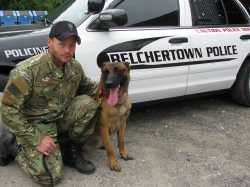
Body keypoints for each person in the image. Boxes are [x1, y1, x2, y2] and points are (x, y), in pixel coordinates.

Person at [1, 20, 99, 186]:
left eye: (72, 45)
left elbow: (90, 89)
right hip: (35, 124)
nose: (67, 50)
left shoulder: (74, 67)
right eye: (62, 44)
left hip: (60, 118)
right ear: (50, 42)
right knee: (49, 177)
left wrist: (114, 94)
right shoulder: (26, 72)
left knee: (88, 103)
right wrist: (37, 139)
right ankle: (14, 144)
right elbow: (8, 110)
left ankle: (69, 148)